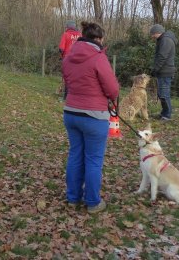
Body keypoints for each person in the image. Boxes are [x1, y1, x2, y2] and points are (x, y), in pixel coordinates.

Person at [62, 21, 119, 214]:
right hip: (94, 116)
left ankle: (73, 198)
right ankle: (93, 202)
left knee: (75, 155)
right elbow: (112, 89)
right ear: (99, 39)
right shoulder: (98, 57)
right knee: (93, 160)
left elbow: (68, 81)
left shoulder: (69, 57)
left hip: (71, 112)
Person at [150, 24, 177, 120]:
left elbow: (162, 57)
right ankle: (164, 113)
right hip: (163, 71)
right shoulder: (163, 39)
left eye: (152, 34)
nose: (152, 36)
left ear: (157, 32)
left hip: (165, 71)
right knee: (161, 94)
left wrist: (155, 69)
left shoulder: (165, 40)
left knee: (164, 94)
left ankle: (167, 115)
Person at [58, 20, 82, 98]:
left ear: (68, 27)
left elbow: (61, 48)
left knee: (67, 77)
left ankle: (66, 95)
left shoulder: (66, 34)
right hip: (78, 59)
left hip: (67, 59)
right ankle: (76, 95)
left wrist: (61, 56)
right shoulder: (80, 35)